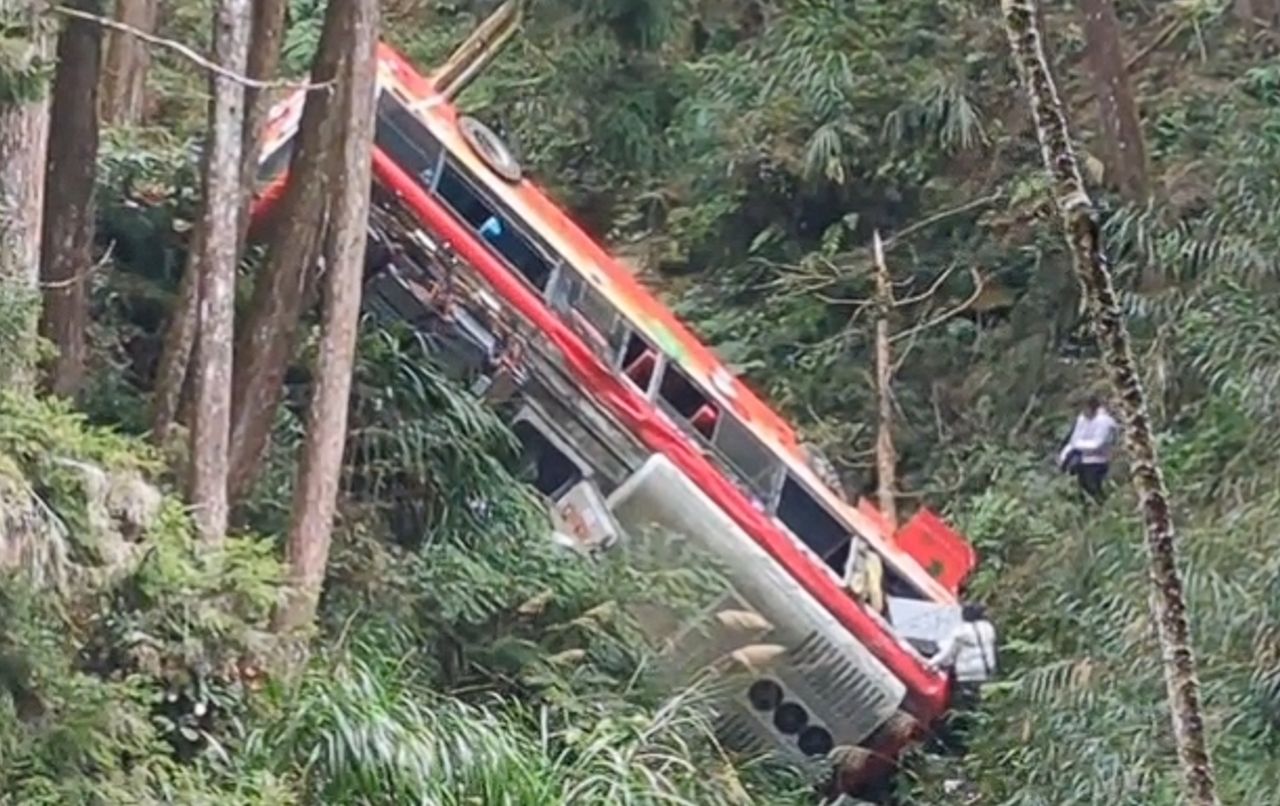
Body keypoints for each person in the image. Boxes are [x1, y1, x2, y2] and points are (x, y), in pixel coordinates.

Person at [1057, 394, 1117, 502]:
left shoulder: (1104, 421)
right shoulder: (1082, 419)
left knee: (1093, 489)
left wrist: (1078, 445)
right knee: (1081, 489)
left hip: (1098, 461)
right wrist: (1064, 456)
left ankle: (1102, 506)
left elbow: (1098, 444)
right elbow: (1075, 438)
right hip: (1082, 459)